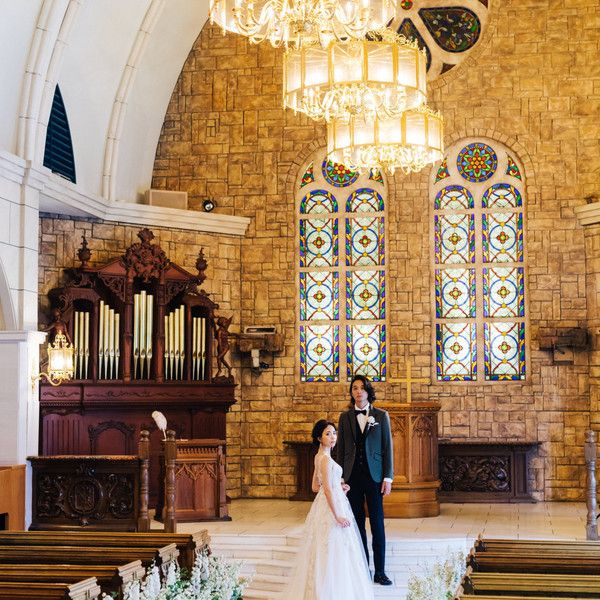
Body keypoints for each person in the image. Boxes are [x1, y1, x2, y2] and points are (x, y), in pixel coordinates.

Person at [283, 419, 374, 600]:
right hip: (332, 508)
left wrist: (339, 487)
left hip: (328, 503)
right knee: (334, 548)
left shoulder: (320, 457)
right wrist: (338, 515)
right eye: (327, 434)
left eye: (334, 433)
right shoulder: (324, 459)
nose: (333, 437)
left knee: (328, 548)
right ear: (319, 437)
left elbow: (315, 487)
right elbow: (325, 489)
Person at [336, 374, 394, 586]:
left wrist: (388, 477)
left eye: (362, 388)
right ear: (351, 393)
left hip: (375, 477)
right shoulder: (345, 418)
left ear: (368, 391)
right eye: (354, 388)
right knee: (357, 523)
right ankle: (363, 569)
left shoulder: (381, 415)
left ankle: (380, 571)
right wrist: (340, 478)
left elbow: (387, 448)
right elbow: (341, 450)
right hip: (352, 477)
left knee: (377, 523)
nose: (358, 391)